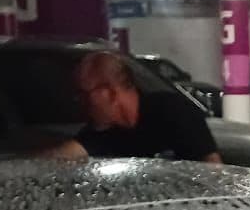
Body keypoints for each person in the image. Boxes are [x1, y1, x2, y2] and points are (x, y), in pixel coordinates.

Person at [50, 51, 221, 164]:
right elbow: (57, 157)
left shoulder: (175, 113)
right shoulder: (101, 133)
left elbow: (213, 174)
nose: (80, 102)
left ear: (109, 93)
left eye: (84, 93)